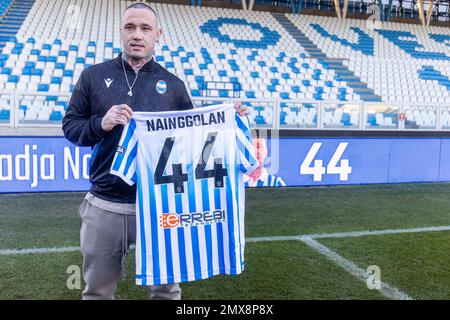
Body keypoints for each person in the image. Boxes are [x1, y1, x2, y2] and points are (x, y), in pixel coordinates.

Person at [62, 2, 248, 300]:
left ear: (157, 34)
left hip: (163, 207)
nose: (137, 34)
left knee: (166, 293)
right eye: (130, 27)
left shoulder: (174, 86)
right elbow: (71, 127)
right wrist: (101, 123)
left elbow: (192, 141)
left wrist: (228, 118)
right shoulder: (92, 77)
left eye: (145, 28)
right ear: (121, 32)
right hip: (106, 204)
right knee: (97, 292)